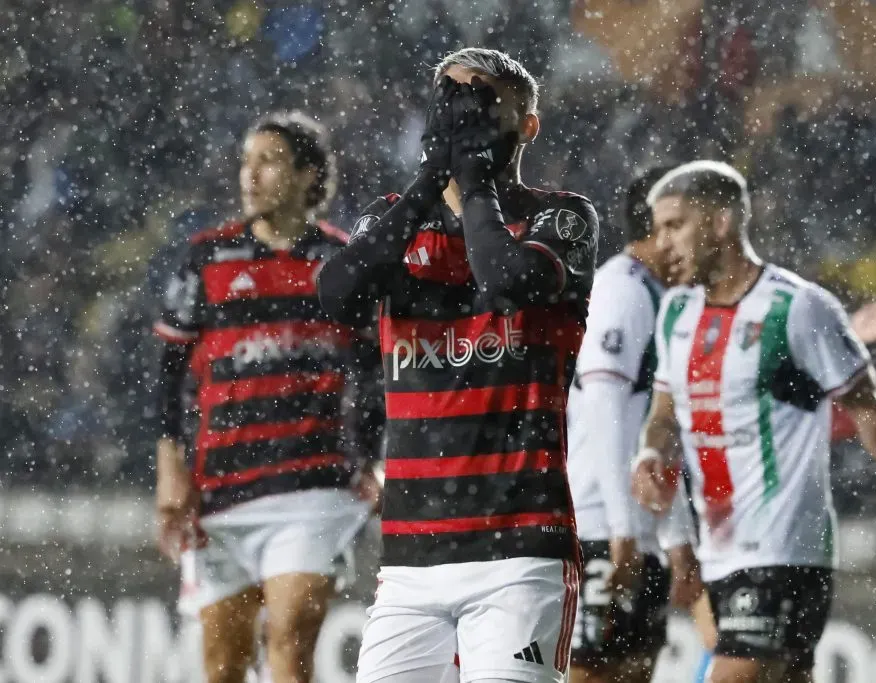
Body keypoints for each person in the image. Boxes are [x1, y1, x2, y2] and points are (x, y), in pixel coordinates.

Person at [318, 47, 600, 683]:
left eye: (482, 103)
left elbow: (506, 278)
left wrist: (472, 183)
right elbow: (337, 294)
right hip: (411, 557)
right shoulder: (395, 219)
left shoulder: (562, 216)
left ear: (527, 124)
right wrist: (427, 184)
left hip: (519, 551)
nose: (463, 117)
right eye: (449, 101)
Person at [631, 161, 876, 683]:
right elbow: (664, 414)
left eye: (674, 225)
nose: (662, 242)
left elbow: (868, 409)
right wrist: (650, 454)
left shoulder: (797, 307)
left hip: (784, 545)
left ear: (720, 223)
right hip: (720, 547)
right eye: (657, 228)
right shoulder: (675, 315)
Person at [154, 111, 381, 683]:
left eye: (268, 160)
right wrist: (170, 476)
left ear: (309, 176)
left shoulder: (342, 263)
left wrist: (378, 457)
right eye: (246, 161)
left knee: (290, 640)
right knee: (225, 667)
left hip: (314, 486)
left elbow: (375, 373)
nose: (249, 175)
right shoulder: (206, 259)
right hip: (222, 489)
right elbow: (170, 378)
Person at [565, 167, 677, 683]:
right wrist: (621, 530)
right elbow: (605, 413)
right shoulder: (622, 290)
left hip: (635, 526)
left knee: (631, 671)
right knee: (592, 672)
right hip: (600, 524)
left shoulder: (660, 294)